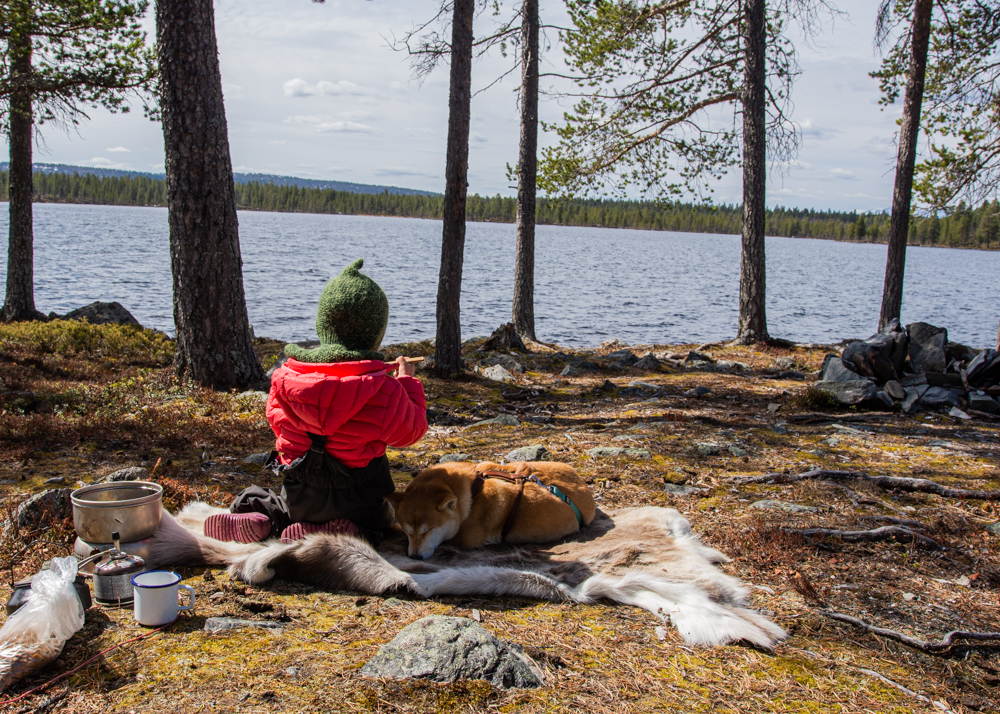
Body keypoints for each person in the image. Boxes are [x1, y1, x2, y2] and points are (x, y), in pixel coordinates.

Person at [204, 258, 428, 544]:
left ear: (324, 325)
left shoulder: (286, 378)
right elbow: (413, 430)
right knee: (383, 518)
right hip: (357, 501)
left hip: (300, 495)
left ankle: (266, 519)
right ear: (375, 335)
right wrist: (407, 382)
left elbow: (278, 426)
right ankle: (348, 532)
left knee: (274, 503)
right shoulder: (383, 388)